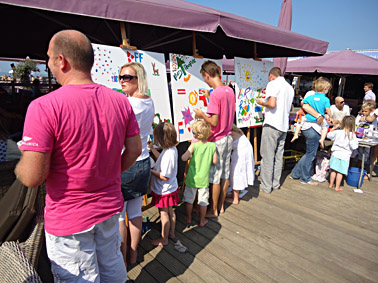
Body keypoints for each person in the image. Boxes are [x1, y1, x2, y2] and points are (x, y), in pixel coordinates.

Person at [15, 30, 141, 282]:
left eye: (49, 58)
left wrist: (24, 159)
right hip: (109, 207)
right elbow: (135, 149)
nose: (49, 64)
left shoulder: (44, 107)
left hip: (69, 219)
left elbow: (31, 177)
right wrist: (109, 173)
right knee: (112, 266)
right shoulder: (119, 101)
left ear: (62, 61)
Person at [118, 62, 155, 266]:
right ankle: (132, 254)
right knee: (135, 212)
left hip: (126, 163)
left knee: (119, 217)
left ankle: (122, 259)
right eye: (121, 77)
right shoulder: (148, 101)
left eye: (128, 77)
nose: (123, 80)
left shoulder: (129, 104)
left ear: (138, 79)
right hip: (143, 161)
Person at [193, 60, 235, 217]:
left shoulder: (215, 95)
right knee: (225, 175)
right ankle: (221, 206)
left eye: (204, 78)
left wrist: (201, 115)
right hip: (228, 137)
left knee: (215, 178)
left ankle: (214, 210)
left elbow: (213, 121)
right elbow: (222, 103)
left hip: (217, 140)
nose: (205, 81)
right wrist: (209, 96)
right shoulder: (228, 90)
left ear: (207, 75)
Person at [256, 67, 294, 193]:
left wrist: (261, 102)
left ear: (271, 75)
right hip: (283, 125)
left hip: (272, 124)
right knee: (278, 157)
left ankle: (266, 187)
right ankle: (275, 184)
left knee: (267, 157)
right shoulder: (289, 87)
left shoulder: (272, 84)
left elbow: (272, 104)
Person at [290, 77, 332, 185]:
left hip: (306, 126)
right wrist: (329, 116)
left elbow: (302, 103)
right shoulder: (325, 99)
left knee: (308, 153)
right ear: (325, 89)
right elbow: (328, 110)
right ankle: (304, 178)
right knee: (310, 155)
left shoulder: (311, 96)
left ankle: (295, 173)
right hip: (315, 128)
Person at [148, 122, 180, 246]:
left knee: (164, 214)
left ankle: (164, 238)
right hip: (171, 188)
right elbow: (161, 158)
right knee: (171, 212)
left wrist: (150, 171)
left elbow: (164, 176)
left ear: (161, 138)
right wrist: (152, 149)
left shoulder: (169, 154)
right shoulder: (171, 149)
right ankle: (171, 233)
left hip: (164, 190)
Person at [181, 120, 217, 227]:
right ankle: (202, 220)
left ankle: (188, 217)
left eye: (193, 132)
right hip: (204, 179)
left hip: (192, 178)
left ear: (198, 135)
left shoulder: (194, 145)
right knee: (203, 201)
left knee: (189, 200)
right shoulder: (212, 146)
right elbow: (215, 161)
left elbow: (183, 158)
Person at [327, 116, 358, 191]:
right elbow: (354, 147)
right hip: (345, 156)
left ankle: (331, 184)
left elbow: (328, 135)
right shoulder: (352, 135)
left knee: (333, 170)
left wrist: (333, 128)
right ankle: (337, 187)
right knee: (340, 172)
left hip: (335, 153)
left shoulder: (338, 132)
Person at [225, 124, 254, 205]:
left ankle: (235, 198)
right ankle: (235, 193)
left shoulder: (229, 131)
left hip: (241, 152)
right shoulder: (235, 129)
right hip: (245, 149)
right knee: (240, 171)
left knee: (236, 173)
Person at [350, 102, 377, 172]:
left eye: (366, 111)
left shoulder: (373, 118)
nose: (364, 112)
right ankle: (350, 167)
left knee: (364, 155)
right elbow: (355, 124)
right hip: (358, 138)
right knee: (353, 152)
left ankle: (359, 169)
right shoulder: (359, 116)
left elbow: (373, 126)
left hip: (368, 139)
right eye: (363, 111)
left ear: (371, 111)